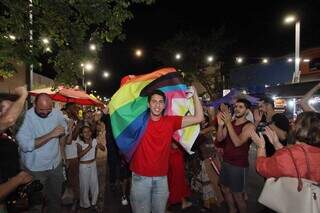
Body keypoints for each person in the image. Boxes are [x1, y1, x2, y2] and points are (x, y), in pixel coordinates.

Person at [129, 86, 204, 213]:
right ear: (148, 104)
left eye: (160, 102)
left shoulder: (170, 121)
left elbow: (199, 118)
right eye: (154, 101)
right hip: (140, 178)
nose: (157, 105)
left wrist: (195, 94)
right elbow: (121, 115)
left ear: (164, 105)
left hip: (161, 179)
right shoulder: (138, 122)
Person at [16, 93, 68, 213]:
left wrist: (63, 151)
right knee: (36, 204)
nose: (45, 113)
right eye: (41, 110)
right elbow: (25, 146)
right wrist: (51, 135)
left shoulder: (56, 112)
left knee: (55, 199)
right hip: (35, 169)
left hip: (55, 164)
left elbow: (63, 129)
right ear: (34, 104)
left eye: (48, 109)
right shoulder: (24, 118)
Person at [250, 111, 320, 182]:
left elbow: (262, 168)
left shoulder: (287, 156)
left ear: (301, 129)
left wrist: (261, 147)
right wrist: (276, 144)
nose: (292, 123)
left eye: (295, 122)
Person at [216, 98, 255, 213]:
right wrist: (220, 125)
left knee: (238, 195)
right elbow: (219, 138)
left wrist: (228, 123)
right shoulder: (231, 123)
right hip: (226, 162)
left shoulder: (249, 126)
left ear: (247, 111)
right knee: (225, 189)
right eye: (236, 106)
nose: (237, 109)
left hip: (239, 165)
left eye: (240, 107)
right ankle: (232, 210)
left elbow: (238, 143)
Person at [0, 86, 33, 213]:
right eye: (4, 108)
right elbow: (9, 119)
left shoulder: (7, 134)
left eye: (12, 108)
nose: (12, 112)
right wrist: (23, 95)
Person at [77, 126, 105, 210]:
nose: (87, 133)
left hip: (93, 164)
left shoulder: (94, 141)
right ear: (81, 134)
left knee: (94, 184)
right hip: (83, 166)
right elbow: (79, 155)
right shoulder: (79, 143)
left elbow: (103, 149)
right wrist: (89, 146)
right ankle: (85, 204)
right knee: (84, 186)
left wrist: (99, 145)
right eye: (85, 132)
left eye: (89, 131)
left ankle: (94, 202)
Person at [167, 142, 192, 210]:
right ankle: (181, 201)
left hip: (169, 153)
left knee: (172, 177)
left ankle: (171, 202)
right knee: (178, 178)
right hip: (175, 154)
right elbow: (175, 145)